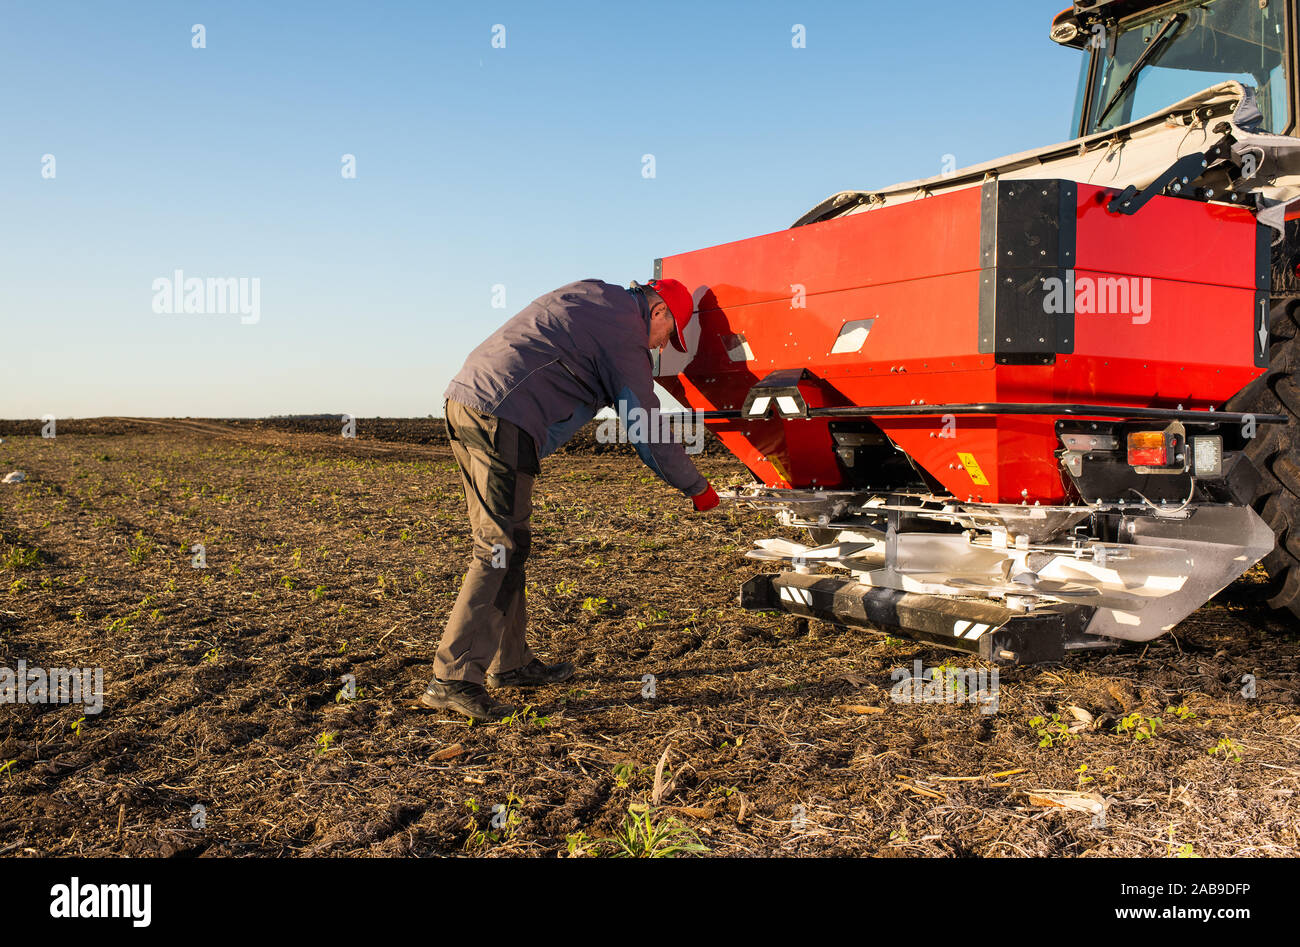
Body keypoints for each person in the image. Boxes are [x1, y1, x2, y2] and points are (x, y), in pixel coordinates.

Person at [416, 277, 720, 721]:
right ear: (658, 313)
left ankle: (511, 663)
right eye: (665, 337)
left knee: (508, 543)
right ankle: (454, 678)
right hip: (503, 417)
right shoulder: (623, 333)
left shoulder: (596, 295)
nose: (658, 349)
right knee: (498, 548)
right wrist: (696, 487)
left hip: (472, 402)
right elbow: (646, 425)